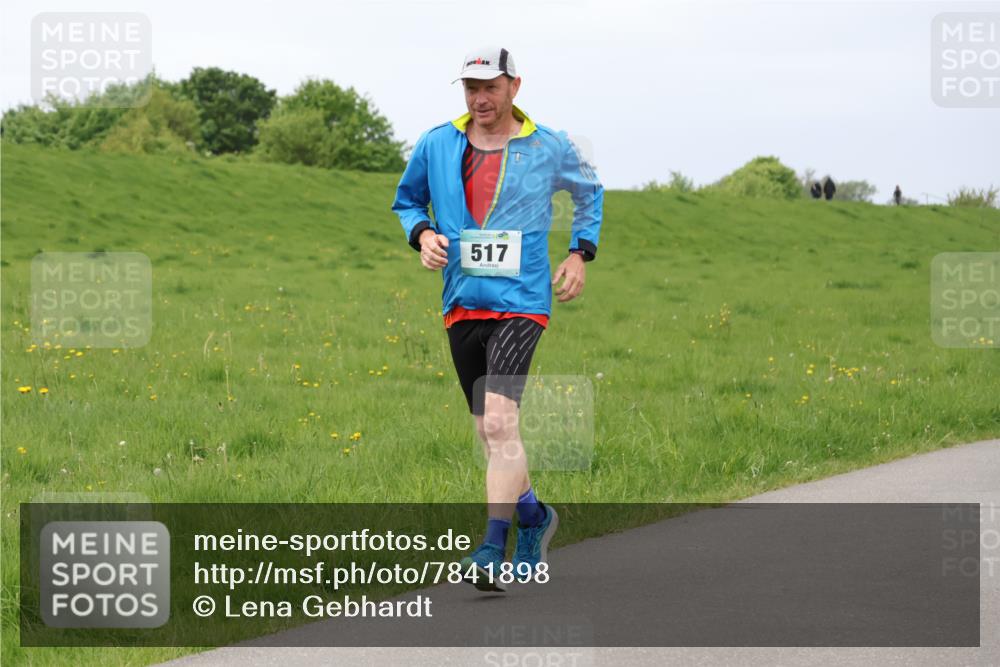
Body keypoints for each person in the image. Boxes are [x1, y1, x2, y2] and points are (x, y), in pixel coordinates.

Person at [392, 47, 604, 592]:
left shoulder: (549, 145)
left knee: (500, 423)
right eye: (470, 88)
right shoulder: (438, 142)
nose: (479, 98)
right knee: (489, 433)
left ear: (514, 86)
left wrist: (581, 252)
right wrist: (423, 236)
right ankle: (534, 516)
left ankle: (492, 546)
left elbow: (589, 192)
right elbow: (407, 202)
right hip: (462, 299)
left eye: (489, 87)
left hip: (522, 301)